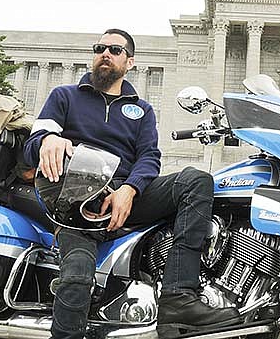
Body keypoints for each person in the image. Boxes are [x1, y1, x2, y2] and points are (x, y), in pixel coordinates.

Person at [23, 29, 240, 339]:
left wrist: (131, 188)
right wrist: (48, 140)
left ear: (130, 62)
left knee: (196, 181)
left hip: (126, 195)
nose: (105, 54)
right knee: (78, 275)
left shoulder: (142, 111)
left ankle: (178, 297)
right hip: (75, 206)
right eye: (100, 48)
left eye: (115, 49)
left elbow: (150, 158)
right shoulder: (64, 96)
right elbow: (32, 148)